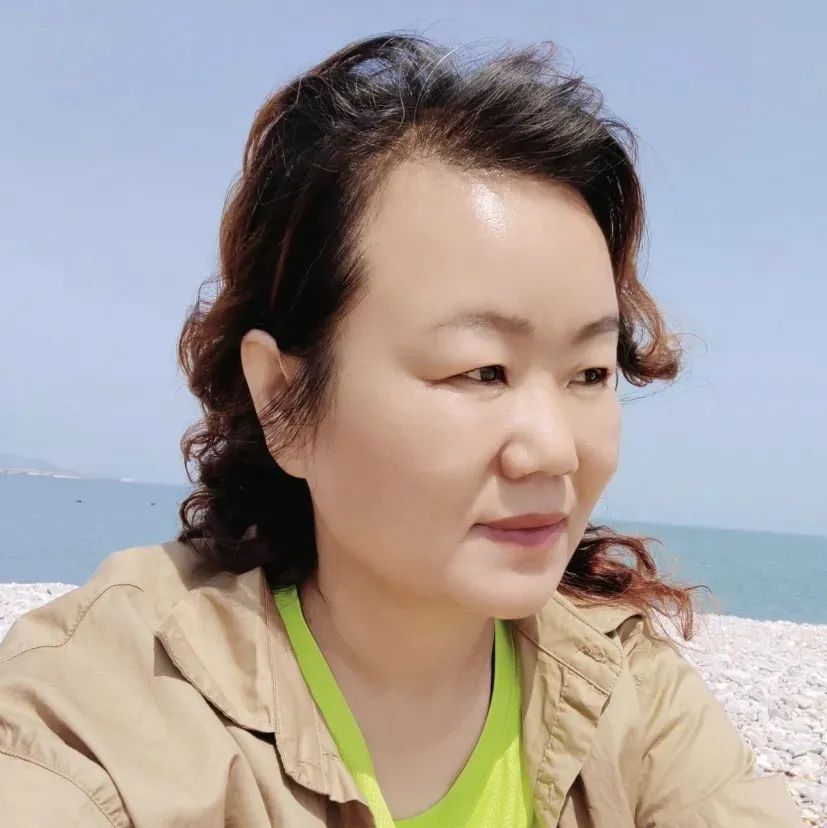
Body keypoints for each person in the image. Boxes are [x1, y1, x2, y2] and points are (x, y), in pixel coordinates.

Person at [0, 32, 803, 828]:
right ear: (281, 399)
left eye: (589, 373)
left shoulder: (624, 690)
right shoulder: (99, 716)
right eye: (481, 370)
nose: (555, 450)